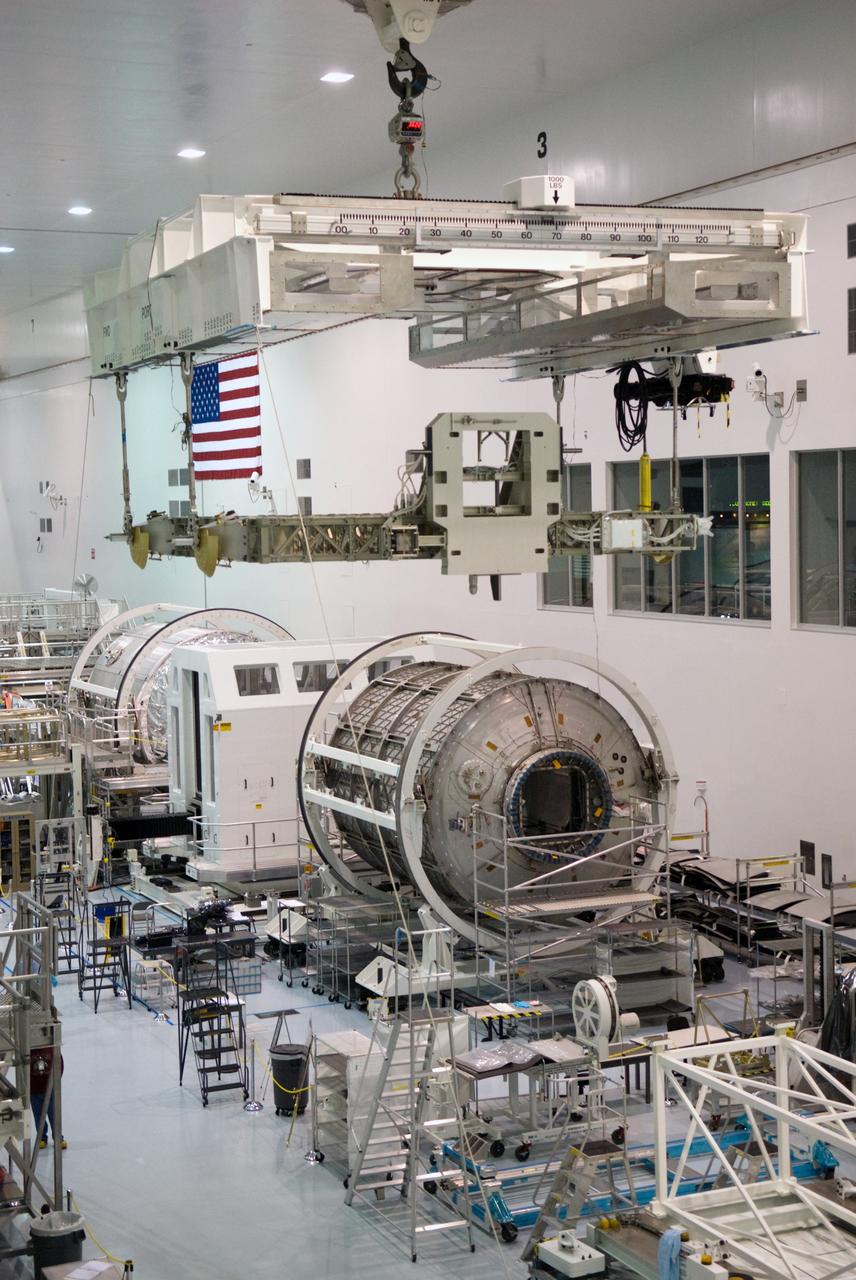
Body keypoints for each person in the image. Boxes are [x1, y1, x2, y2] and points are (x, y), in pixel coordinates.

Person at [30, 1043, 66, 1151]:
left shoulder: (51, 1048)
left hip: (50, 1091)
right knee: (39, 1116)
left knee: (54, 1115)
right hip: (34, 1092)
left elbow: (60, 1064)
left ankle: (58, 1137)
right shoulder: (28, 1050)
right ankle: (42, 1137)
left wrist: (56, 1081)